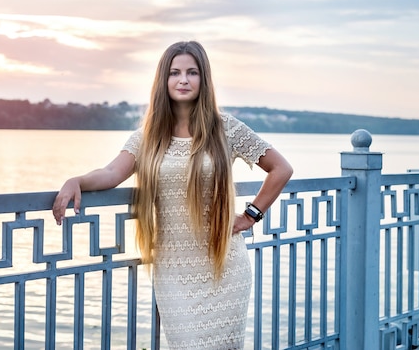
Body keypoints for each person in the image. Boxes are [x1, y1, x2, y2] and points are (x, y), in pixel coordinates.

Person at [51, 40, 293, 349]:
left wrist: (251, 215)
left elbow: (281, 169)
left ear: (203, 80)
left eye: (192, 72)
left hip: (224, 267)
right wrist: (77, 181)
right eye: (175, 72)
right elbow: (112, 173)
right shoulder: (148, 137)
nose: (183, 80)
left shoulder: (226, 129)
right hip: (173, 271)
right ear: (163, 80)